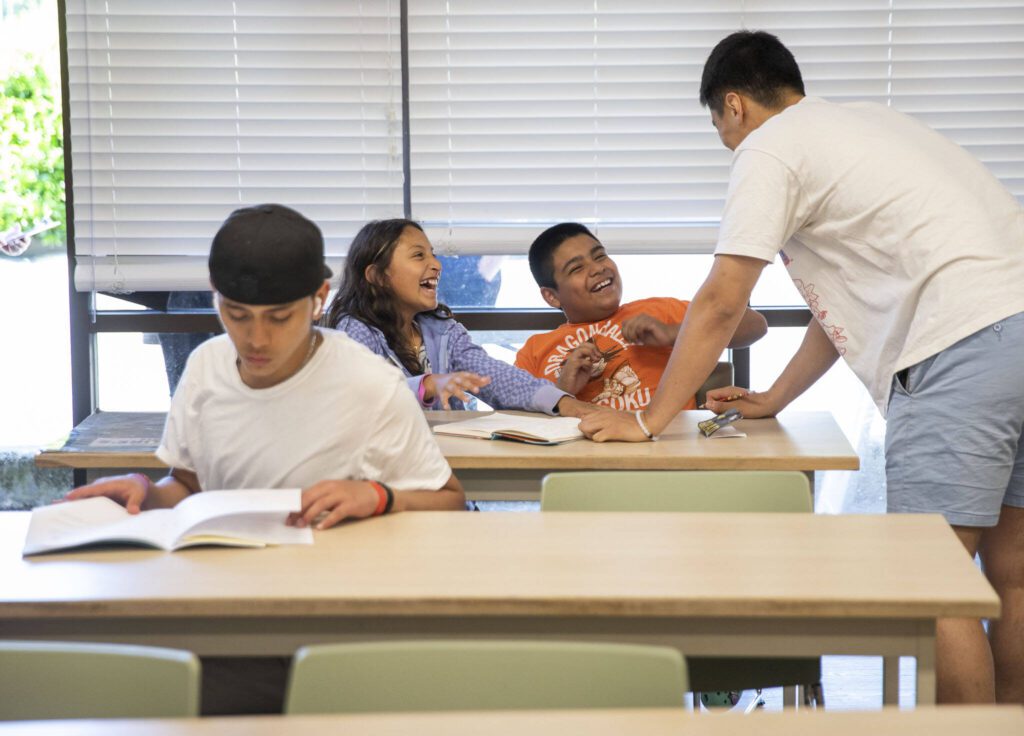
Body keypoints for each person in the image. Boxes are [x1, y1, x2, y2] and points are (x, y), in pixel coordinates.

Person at [581, 30, 1024, 705]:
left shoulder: (770, 147)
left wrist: (650, 419)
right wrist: (775, 397)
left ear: (733, 105)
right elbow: (842, 303)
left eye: (717, 127)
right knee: (1012, 574)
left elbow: (722, 301)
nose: (726, 143)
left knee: (940, 583)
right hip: (1010, 325)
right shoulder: (866, 127)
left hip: (961, 345)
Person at [65, 203, 466, 713]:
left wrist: (378, 495)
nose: (256, 339)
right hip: (224, 611)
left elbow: (451, 501)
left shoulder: (368, 383)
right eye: (236, 315)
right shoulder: (207, 367)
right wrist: (148, 493)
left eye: (279, 318)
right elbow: (189, 486)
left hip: (334, 624)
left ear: (320, 297)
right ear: (216, 295)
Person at [325, 218, 593, 417]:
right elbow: (360, 396)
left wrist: (563, 402)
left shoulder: (444, 331)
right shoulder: (354, 330)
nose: (437, 264)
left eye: (433, 253)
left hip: (449, 463)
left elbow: (495, 377)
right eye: (419, 255)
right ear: (378, 276)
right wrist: (425, 385)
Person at [515, 222, 766, 411]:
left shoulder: (657, 312)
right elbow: (513, 427)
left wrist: (673, 333)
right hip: (580, 459)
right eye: (577, 268)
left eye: (600, 255)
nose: (598, 268)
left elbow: (755, 326)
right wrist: (561, 392)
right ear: (552, 297)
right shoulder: (534, 351)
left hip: (664, 450)